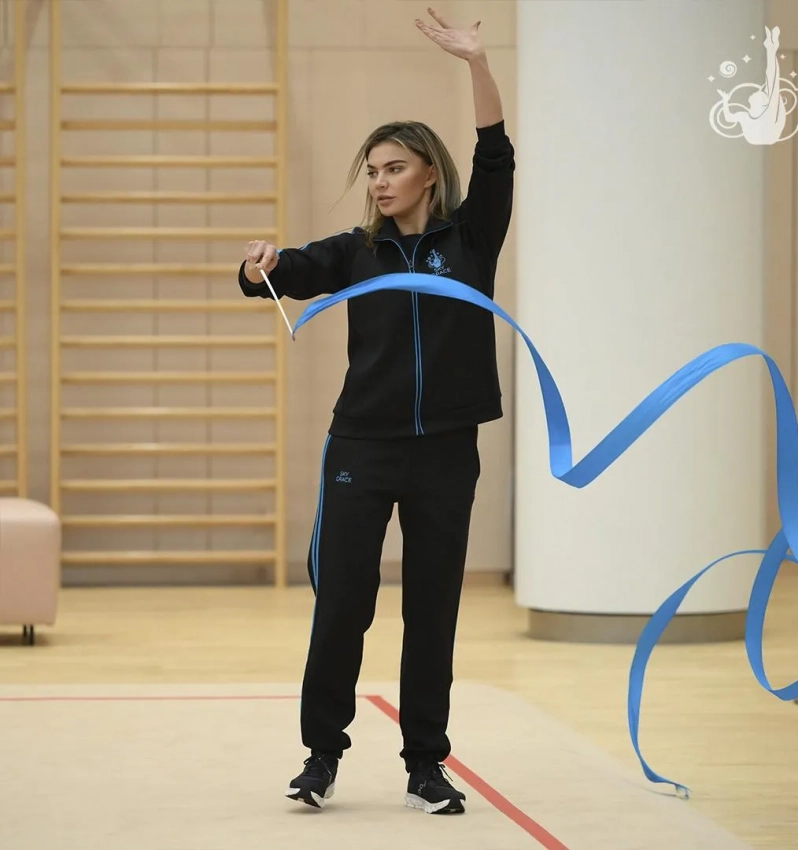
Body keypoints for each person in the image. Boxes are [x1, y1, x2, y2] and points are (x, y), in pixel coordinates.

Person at [237, 7, 514, 816]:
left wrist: (478, 64)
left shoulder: (471, 241)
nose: (380, 182)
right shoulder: (358, 253)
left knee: (433, 612)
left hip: (446, 452)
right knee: (342, 606)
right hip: (361, 447)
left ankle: (426, 763)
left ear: (429, 173)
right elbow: (287, 271)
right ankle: (321, 755)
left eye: (394, 168)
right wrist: (258, 267)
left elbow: (495, 153)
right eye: (372, 171)